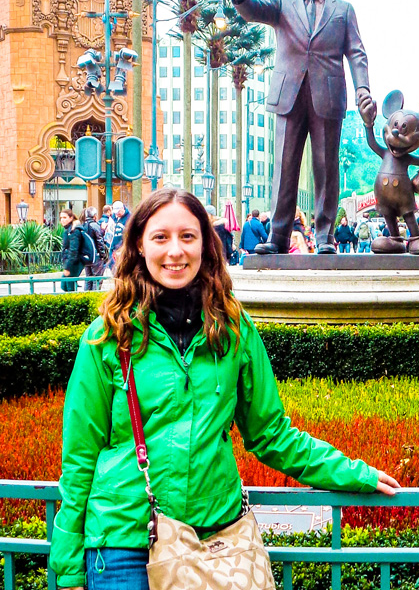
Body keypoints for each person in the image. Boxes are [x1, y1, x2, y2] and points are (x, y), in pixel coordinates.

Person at [49, 188, 399, 590]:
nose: (175, 251)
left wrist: (354, 473)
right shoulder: (109, 337)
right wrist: (69, 561)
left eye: (188, 236)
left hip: (215, 540)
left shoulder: (232, 330)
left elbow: (271, 434)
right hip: (124, 545)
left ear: (206, 246)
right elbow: (79, 456)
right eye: (161, 237)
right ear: (140, 246)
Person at [227, 0, 376, 255]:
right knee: (284, 167)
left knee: (326, 168)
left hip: (328, 97)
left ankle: (324, 238)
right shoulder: (283, 0)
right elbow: (253, 9)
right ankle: (278, 237)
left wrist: (363, 89)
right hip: (289, 95)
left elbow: (357, 52)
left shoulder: (344, 9)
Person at [80, 207, 108, 292]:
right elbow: (100, 242)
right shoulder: (95, 226)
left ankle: (86, 297)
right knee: (97, 279)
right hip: (96, 257)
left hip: (86, 257)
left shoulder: (83, 226)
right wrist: (103, 255)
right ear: (95, 216)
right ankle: (95, 296)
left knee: (88, 278)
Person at [59, 208, 84, 292]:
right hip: (70, 262)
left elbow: (73, 250)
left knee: (69, 287)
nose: (62, 220)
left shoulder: (74, 231)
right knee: (65, 286)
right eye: (61, 218)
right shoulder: (68, 230)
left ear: (71, 218)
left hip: (74, 263)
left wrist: (68, 267)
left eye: (64, 217)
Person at [105, 200, 131, 273]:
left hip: (123, 247)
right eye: (115, 212)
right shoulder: (113, 217)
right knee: (113, 268)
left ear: (123, 208)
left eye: (118, 212)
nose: (117, 214)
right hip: (113, 246)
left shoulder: (129, 218)